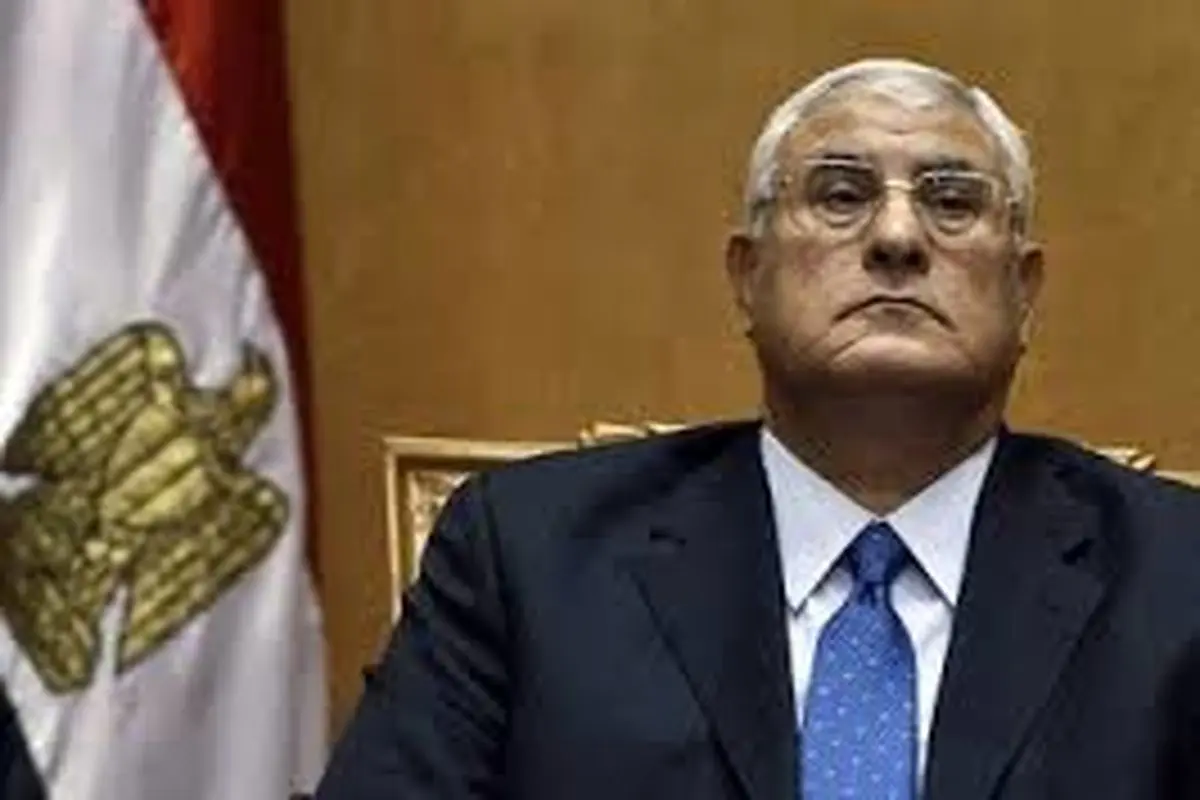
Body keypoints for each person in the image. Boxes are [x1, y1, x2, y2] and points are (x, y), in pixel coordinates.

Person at [315, 58, 1200, 799]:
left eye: (953, 202)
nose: (898, 236)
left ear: (1024, 292)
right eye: (842, 194)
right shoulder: (530, 558)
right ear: (748, 277)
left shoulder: (1179, 578)